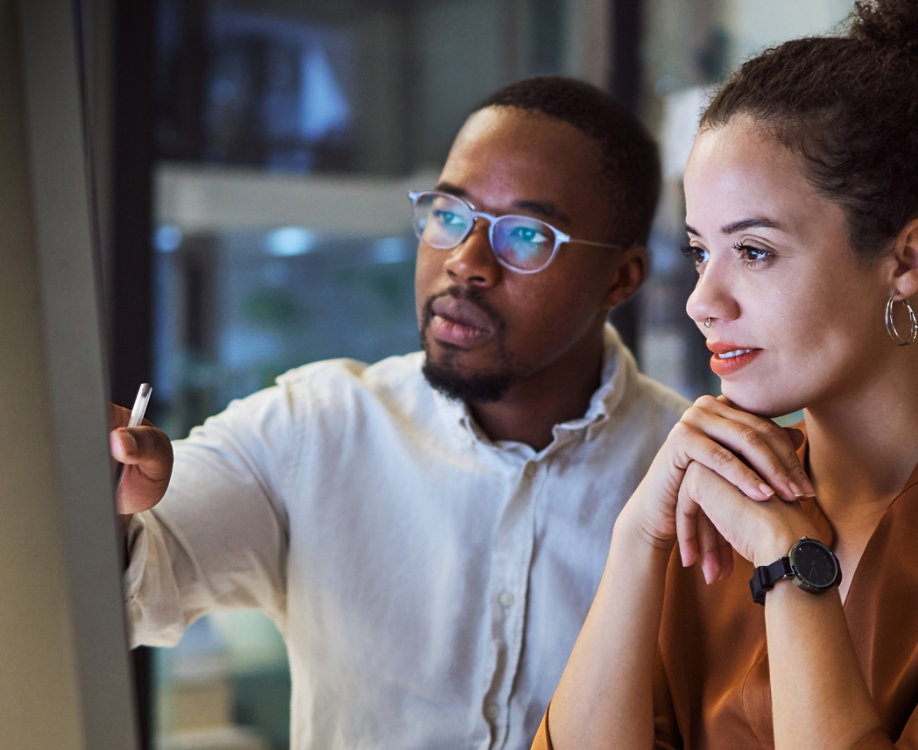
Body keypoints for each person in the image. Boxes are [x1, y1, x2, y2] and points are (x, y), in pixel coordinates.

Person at [109, 75, 691, 749]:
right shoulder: (317, 427)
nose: (466, 263)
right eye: (449, 214)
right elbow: (134, 592)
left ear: (621, 278)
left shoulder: (686, 474)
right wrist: (113, 499)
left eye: (526, 235)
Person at [535, 1, 918, 748]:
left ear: (906, 260)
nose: (700, 302)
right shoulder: (713, 500)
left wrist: (794, 565)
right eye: (698, 251)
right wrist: (634, 539)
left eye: (753, 251)